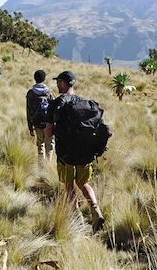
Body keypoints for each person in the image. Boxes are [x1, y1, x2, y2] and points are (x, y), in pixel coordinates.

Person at [46, 70, 106, 232]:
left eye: (58, 82)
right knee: (83, 183)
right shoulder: (85, 103)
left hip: (65, 154)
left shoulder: (55, 104)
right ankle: (95, 209)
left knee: (68, 185)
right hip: (85, 154)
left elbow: (48, 132)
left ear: (64, 83)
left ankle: (78, 218)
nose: (57, 84)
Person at [26, 69, 54, 163]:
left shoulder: (30, 93)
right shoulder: (49, 92)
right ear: (44, 78)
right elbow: (54, 109)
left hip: (37, 123)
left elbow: (28, 111)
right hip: (48, 124)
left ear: (35, 78)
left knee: (40, 145)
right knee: (49, 146)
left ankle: (41, 168)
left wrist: (30, 127)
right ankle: (48, 169)